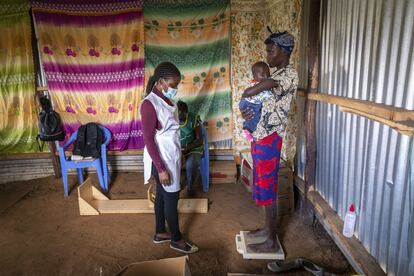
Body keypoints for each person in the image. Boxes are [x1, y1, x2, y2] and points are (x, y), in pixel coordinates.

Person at [240, 30, 298, 252]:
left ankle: (271, 240)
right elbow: (259, 101)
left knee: (269, 187)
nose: (268, 55)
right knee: (262, 184)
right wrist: (247, 113)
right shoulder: (278, 74)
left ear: (283, 52)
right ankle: (267, 229)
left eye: (271, 50)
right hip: (260, 137)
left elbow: (259, 88)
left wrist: (247, 93)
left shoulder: (288, 75)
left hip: (270, 139)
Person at [140, 62, 198, 254]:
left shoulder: (167, 100)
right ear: (160, 82)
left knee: (163, 196)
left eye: (176, 85)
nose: (175, 89)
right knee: (171, 198)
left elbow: (172, 131)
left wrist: (180, 151)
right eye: (172, 85)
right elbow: (148, 139)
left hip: (170, 154)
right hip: (161, 158)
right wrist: (161, 168)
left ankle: (160, 232)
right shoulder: (149, 104)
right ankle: (176, 239)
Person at [239, 61, 273, 142]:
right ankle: (247, 130)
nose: (266, 76)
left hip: (245, 102)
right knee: (255, 116)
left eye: (267, 74)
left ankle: (247, 130)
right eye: (262, 74)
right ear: (254, 76)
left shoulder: (256, 83)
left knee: (252, 117)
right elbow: (266, 95)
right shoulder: (259, 85)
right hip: (251, 103)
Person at [177, 100, 203, 198]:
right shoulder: (171, 119)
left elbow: (200, 140)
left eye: (181, 113)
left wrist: (186, 149)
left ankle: (190, 187)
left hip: (193, 148)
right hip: (178, 149)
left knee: (190, 164)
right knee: (172, 162)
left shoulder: (193, 118)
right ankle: (175, 185)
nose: (179, 116)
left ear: (186, 112)